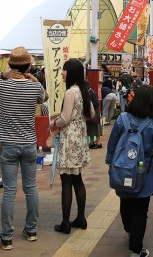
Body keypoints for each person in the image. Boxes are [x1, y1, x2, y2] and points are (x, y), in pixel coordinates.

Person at [0, 46, 47, 250]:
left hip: (8, 144)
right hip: (29, 143)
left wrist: (3, 74)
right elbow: (44, 98)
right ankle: (31, 230)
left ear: (10, 65)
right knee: (31, 189)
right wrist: (33, 78)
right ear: (28, 66)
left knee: (9, 191)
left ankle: (7, 237)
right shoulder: (33, 87)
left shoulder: (1, 85)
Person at [106, 85, 153, 257]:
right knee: (141, 210)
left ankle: (129, 229)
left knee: (125, 202)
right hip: (145, 171)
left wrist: (110, 162)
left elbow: (112, 143)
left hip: (123, 169)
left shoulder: (122, 119)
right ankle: (135, 249)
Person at [50, 59, 95, 234]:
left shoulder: (70, 92)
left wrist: (54, 122)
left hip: (69, 138)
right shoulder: (83, 90)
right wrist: (79, 118)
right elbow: (91, 113)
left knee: (66, 181)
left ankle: (65, 223)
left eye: (64, 70)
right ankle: (81, 218)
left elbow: (65, 118)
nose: (62, 73)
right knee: (78, 179)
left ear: (71, 72)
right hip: (81, 138)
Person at [86, 81, 103, 149]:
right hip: (90, 113)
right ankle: (92, 142)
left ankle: (98, 143)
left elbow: (96, 103)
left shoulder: (92, 93)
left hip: (95, 113)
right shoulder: (88, 93)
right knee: (90, 128)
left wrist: (89, 106)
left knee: (96, 128)